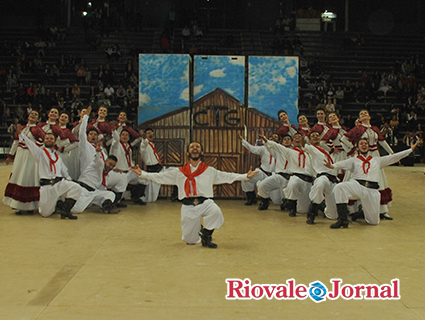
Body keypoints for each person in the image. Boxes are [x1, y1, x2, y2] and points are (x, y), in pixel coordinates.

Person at [130, 141, 258, 248]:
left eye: (197, 147)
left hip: (204, 203)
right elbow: (160, 177)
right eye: (192, 147)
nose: (194, 148)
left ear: (201, 152)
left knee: (216, 212)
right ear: (188, 153)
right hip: (188, 206)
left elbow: (227, 176)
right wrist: (143, 174)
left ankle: (207, 235)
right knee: (190, 241)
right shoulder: (179, 172)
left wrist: (245, 176)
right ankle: (197, 229)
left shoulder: (209, 171)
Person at [324, 138, 420, 228]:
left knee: (373, 222)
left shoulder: (377, 160)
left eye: (366, 143)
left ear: (369, 147)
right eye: (361, 143)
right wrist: (332, 166)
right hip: (357, 185)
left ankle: (361, 211)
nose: (364, 145)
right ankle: (343, 219)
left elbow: (394, 157)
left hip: (371, 190)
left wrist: (410, 150)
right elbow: (341, 164)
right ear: (357, 148)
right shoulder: (354, 160)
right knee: (340, 187)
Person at [341, 109, 395, 220]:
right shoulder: (357, 129)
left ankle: (382, 211)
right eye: (361, 114)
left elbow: (382, 141)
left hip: (374, 155)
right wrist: (353, 148)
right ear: (359, 119)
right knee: (360, 179)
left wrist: (392, 153)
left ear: (369, 116)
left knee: (378, 181)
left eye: (365, 113)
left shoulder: (375, 129)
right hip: (363, 155)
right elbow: (344, 138)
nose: (364, 114)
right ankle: (357, 208)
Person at [20, 132, 83, 219]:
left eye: (51, 138)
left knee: (77, 188)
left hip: (59, 184)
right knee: (45, 214)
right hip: (47, 187)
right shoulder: (40, 153)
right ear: (44, 141)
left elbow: (64, 170)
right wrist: (22, 135)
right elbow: (32, 146)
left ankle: (65, 210)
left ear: (55, 142)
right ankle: (58, 205)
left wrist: (68, 179)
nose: (49, 140)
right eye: (47, 138)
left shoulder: (58, 157)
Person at [260, 131, 314, 217]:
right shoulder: (289, 152)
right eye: (295, 138)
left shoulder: (310, 152)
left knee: (303, 210)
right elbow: (276, 146)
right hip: (290, 176)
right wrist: (265, 140)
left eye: (299, 137)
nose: (297, 139)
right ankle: (289, 206)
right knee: (290, 186)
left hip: (307, 180)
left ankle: (287, 204)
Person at [3, 111, 45, 215]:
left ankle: (30, 205)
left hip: (30, 157)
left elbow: (43, 142)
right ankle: (18, 205)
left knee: (28, 178)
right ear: (28, 116)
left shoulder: (38, 129)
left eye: (36, 115)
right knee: (18, 177)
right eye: (32, 114)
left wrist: (34, 147)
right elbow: (16, 142)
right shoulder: (23, 128)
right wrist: (10, 155)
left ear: (38, 119)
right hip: (20, 157)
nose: (33, 116)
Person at [303, 131, 338, 224]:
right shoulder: (311, 149)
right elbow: (304, 146)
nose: (315, 137)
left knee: (333, 216)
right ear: (309, 140)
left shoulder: (327, 152)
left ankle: (324, 208)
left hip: (333, 179)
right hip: (323, 176)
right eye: (313, 136)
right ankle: (311, 214)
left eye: (317, 135)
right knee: (319, 185)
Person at [72, 150, 120, 215]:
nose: (110, 167)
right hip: (84, 189)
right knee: (78, 209)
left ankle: (107, 208)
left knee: (110, 194)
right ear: (105, 161)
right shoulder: (99, 164)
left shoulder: (105, 175)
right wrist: (98, 152)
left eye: (113, 166)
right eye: (110, 164)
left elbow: (102, 188)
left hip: (93, 192)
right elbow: (97, 159)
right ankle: (61, 205)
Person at [237, 132, 279, 206]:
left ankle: (267, 200)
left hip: (275, 175)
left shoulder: (281, 149)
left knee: (276, 201)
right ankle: (251, 198)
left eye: (276, 137)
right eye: (271, 137)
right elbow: (252, 148)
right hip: (262, 172)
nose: (273, 138)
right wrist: (242, 140)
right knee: (246, 179)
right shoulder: (264, 148)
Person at [257, 133, 293, 211]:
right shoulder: (278, 152)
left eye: (289, 139)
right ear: (282, 142)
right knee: (262, 185)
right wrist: (264, 139)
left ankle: (287, 202)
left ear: (292, 142)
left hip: (291, 178)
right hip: (279, 176)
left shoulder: (295, 152)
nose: (287, 141)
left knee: (298, 207)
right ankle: (265, 201)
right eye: (285, 139)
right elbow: (269, 147)